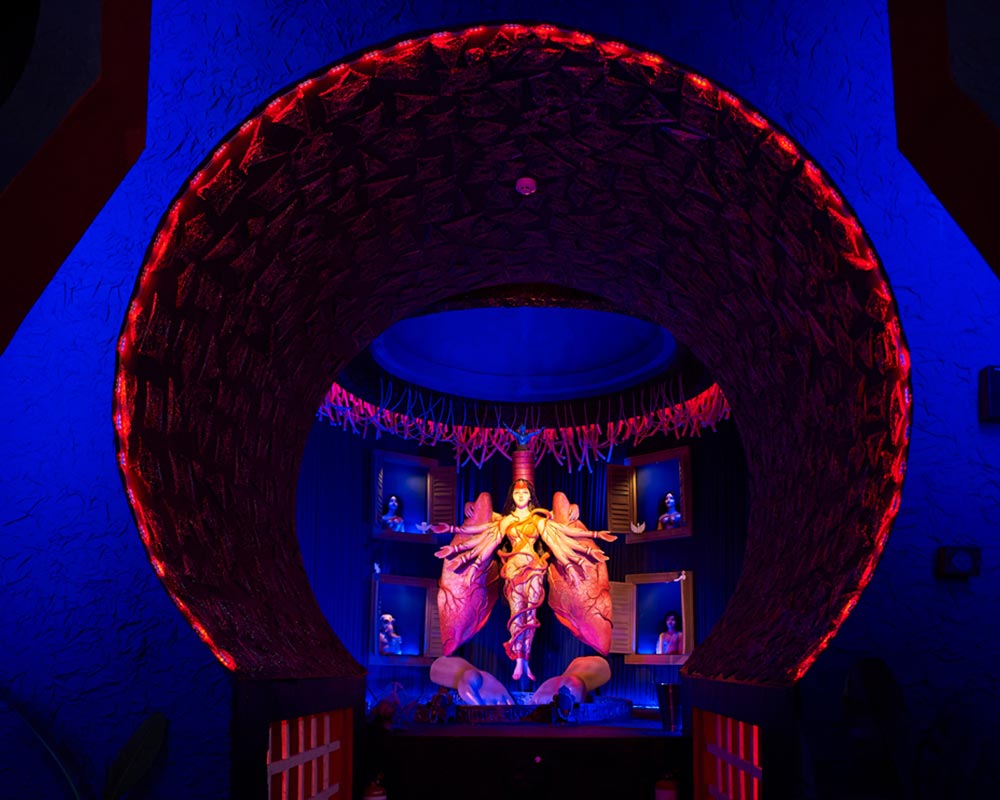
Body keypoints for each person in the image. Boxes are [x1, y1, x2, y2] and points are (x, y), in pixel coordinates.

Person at [431, 479, 615, 681]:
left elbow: (559, 539)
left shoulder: (539, 519)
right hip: (513, 571)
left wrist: (591, 538)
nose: (521, 495)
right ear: (512, 496)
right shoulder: (505, 521)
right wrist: (453, 534)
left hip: (535, 570)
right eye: (517, 492)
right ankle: (519, 660)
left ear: (530, 496)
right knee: (518, 615)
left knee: (530, 617)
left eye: (525, 492)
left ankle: (526, 660)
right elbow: (483, 538)